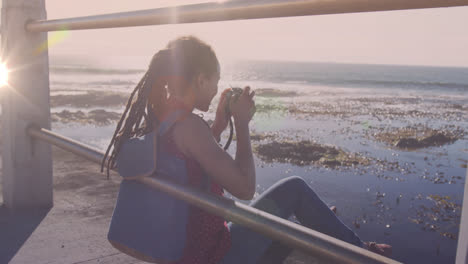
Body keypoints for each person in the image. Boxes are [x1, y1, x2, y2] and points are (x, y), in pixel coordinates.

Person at [102, 36, 391, 264]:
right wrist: (241, 124)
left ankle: (321, 230)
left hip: (187, 251)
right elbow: (244, 188)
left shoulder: (166, 118)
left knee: (289, 224)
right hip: (210, 256)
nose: (216, 88)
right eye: (215, 79)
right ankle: (362, 254)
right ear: (201, 79)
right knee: (294, 189)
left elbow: (192, 163)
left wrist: (217, 126)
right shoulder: (190, 126)